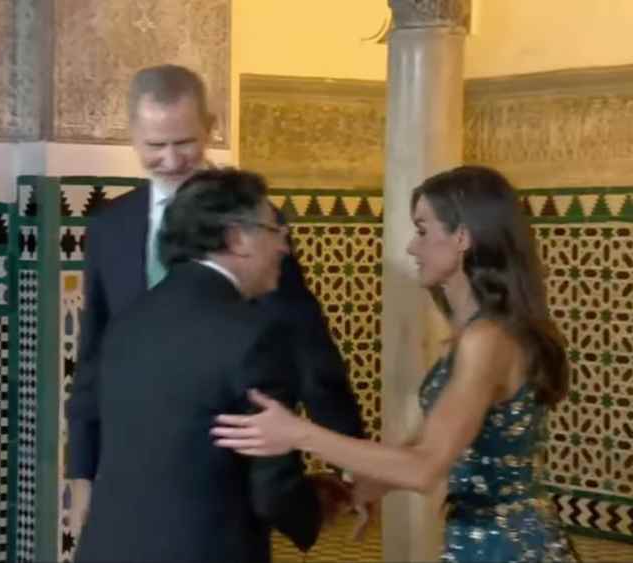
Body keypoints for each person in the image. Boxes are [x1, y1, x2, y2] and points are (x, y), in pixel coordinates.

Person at [212, 165, 579, 562]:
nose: (411, 248)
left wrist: (297, 433)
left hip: (507, 548)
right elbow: (427, 443)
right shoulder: (478, 332)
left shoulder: (487, 339)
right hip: (487, 541)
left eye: (422, 230)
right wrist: (366, 485)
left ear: (462, 237)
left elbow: (424, 468)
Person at [66, 63, 364, 534]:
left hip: (227, 470)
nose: (171, 160)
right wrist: (81, 473)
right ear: (133, 135)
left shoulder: (257, 222)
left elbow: (307, 345)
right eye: (155, 146)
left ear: (209, 126)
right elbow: (93, 358)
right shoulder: (110, 227)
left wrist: (350, 456)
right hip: (134, 465)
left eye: (184, 142)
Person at [74, 168, 351, 563]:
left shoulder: (129, 321)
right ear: (237, 238)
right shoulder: (256, 334)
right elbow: (272, 486)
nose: (283, 247)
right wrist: (318, 507)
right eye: (274, 231)